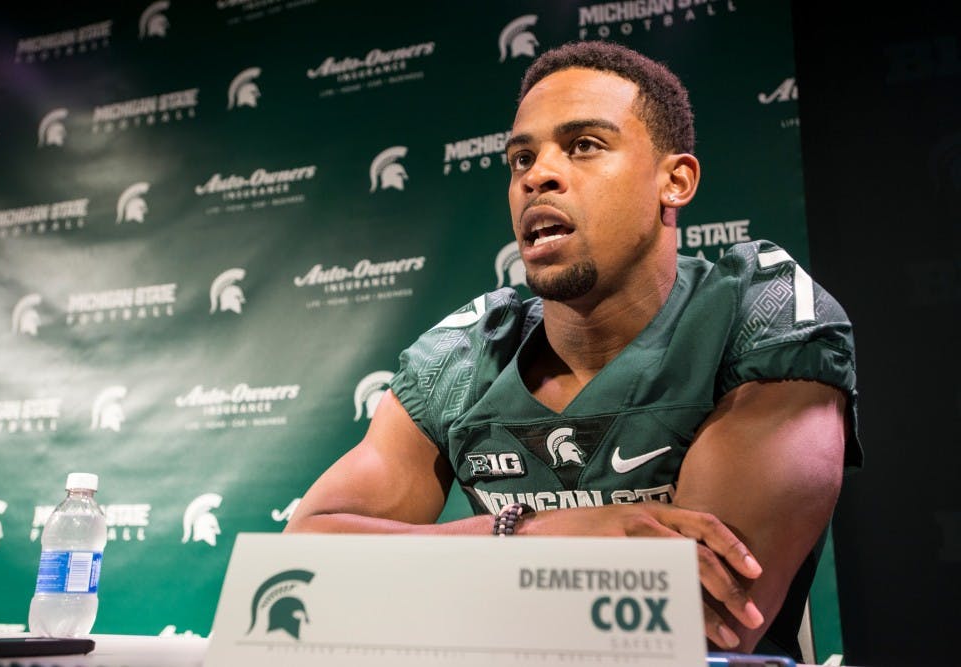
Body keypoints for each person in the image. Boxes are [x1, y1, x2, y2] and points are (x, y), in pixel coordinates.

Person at [285, 40, 861, 659]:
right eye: (520, 158)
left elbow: (703, 617)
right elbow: (301, 566)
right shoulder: (464, 351)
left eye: (584, 144)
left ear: (676, 180)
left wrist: (438, 573)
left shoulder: (762, 314)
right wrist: (530, 534)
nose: (537, 174)